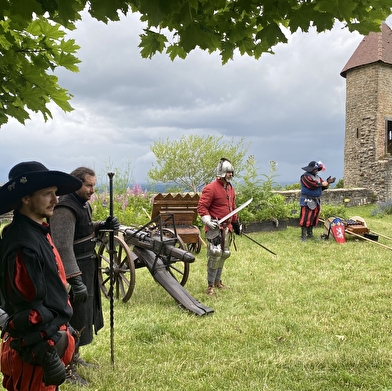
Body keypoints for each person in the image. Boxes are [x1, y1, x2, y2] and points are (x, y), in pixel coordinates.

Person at [0, 161, 83, 391]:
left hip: (46, 342)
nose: (56, 200)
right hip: (33, 353)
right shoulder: (22, 244)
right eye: (47, 194)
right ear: (26, 198)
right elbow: (27, 309)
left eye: (55, 193)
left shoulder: (37, 230)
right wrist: (45, 351)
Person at [50, 167, 119, 385]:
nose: (92, 190)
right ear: (76, 184)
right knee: (70, 317)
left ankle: (75, 356)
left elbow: (83, 230)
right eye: (88, 185)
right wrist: (74, 278)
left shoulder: (81, 205)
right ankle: (66, 367)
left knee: (82, 314)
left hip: (86, 266)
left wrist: (102, 226)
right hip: (73, 271)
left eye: (93, 185)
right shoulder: (64, 208)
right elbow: (62, 246)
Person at [197, 158, 241, 296]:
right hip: (214, 228)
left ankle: (217, 281)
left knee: (224, 254)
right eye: (228, 172)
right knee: (215, 254)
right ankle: (210, 286)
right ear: (221, 172)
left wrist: (236, 222)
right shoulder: (210, 188)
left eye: (231, 172)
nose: (231, 175)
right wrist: (208, 222)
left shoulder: (230, 188)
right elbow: (202, 207)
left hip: (227, 228)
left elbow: (232, 207)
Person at [299, 160, 335, 241]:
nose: (316, 170)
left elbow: (322, 187)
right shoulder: (305, 177)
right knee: (306, 218)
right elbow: (311, 185)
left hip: (316, 200)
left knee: (313, 218)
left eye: (317, 169)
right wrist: (322, 184)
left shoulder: (318, 178)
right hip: (307, 199)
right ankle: (303, 236)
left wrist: (328, 183)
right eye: (315, 169)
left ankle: (310, 234)